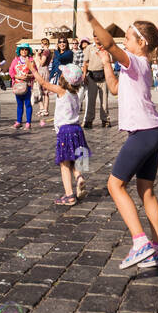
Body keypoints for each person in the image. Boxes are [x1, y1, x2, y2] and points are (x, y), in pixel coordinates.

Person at [83, 4, 158, 269]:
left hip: (144, 134)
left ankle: (140, 241)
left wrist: (92, 18)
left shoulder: (138, 61)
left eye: (128, 38)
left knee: (114, 186)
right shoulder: (135, 67)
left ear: (141, 43)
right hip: (154, 132)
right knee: (146, 191)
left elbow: (110, 43)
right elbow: (113, 88)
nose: (124, 41)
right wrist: (108, 62)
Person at [27, 59, 90, 206]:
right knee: (73, 158)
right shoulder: (77, 93)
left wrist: (33, 70)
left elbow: (44, 84)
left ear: (63, 78)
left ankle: (69, 195)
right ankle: (79, 177)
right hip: (77, 130)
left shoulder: (62, 91)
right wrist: (84, 69)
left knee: (64, 164)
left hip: (65, 131)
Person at [81, 38, 111, 129]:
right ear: (93, 37)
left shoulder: (106, 47)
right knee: (91, 100)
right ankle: (89, 120)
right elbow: (85, 62)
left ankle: (105, 120)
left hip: (103, 76)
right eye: (95, 36)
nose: (97, 38)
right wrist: (84, 75)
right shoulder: (89, 48)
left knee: (104, 100)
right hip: (92, 76)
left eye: (98, 36)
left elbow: (111, 61)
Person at [10, 42, 36, 130]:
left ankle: (28, 122)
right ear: (19, 51)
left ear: (28, 51)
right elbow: (11, 72)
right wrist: (17, 76)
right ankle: (19, 121)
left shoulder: (31, 60)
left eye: (26, 49)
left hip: (27, 85)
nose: (24, 51)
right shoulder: (15, 61)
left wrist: (28, 76)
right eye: (22, 49)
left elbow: (35, 73)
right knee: (19, 104)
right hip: (17, 85)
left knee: (28, 103)